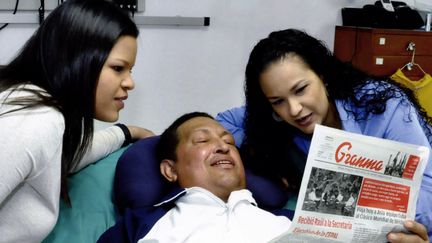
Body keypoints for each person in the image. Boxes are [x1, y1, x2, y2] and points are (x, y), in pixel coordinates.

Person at [216, 28, 432, 239]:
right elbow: (222, 123)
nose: (294, 110)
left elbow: (429, 196)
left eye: (300, 90)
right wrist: (263, 150)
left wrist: (359, 198)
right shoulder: (276, 120)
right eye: (278, 101)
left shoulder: (383, 105)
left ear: (323, 76)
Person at [0, 0, 154, 242]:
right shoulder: (35, 120)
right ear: (75, 59)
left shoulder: (36, 107)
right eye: (117, 68)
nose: (129, 83)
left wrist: (126, 132)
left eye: (130, 71)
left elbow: (67, 157)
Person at [98, 112, 292, 243]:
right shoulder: (141, 225)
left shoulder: (291, 222)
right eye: (202, 140)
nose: (223, 147)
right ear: (170, 170)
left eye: (229, 141)